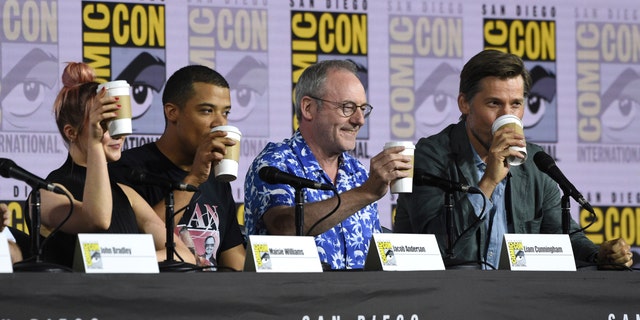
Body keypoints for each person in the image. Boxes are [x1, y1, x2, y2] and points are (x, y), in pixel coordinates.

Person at [395, 49, 633, 269]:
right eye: (494, 103)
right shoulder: (431, 155)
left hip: (515, 298)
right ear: (464, 104)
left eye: (516, 104)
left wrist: (599, 254)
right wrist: (488, 181)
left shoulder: (536, 162)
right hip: (447, 296)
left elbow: (563, 236)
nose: (507, 116)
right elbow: (435, 244)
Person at [244, 59, 412, 270]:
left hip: (361, 299)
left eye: (363, 109)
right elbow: (284, 228)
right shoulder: (274, 163)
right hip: (296, 300)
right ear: (308, 108)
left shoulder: (357, 172)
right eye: (348, 107)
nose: (359, 120)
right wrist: (366, 193)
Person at [35, 62, 195, 268]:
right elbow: (98, 220)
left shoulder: (127, 193)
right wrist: (94, 142)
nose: (119, 134)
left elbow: (183, 255)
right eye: (104, 124)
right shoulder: (46, 193)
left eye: (117, 122)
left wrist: (125, 260)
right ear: (71, 132)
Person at [111, 65, 246, 272]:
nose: (219, 123)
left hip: (216, 298)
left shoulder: (217, 177)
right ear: (172, 112)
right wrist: (193, 179)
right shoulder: (129, 168)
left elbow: (234, 260)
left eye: (225, 112)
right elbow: (131, 246)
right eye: (207, 111)